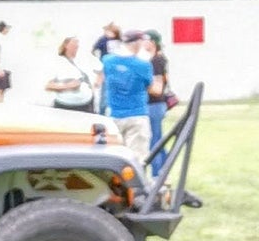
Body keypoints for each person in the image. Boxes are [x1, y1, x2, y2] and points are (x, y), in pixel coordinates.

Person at [98, 34, 156, 164]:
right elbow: (151, 88)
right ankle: (135, 184)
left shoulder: (107, 60)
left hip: (113, 113)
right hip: (137, 114)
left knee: (114, 156)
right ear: (137, 43)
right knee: (137, 157)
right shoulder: (143, 65)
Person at [43, 34, 94, 114]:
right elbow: (48, 86)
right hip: (66, 106)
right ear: (66, 45)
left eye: (78, 43)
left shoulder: (83, 60)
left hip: (86, 105)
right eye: (74, 43)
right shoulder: (57, 62)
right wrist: (68, 86)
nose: (77, 45)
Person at [144, 28, 171, 153]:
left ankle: (158, 170)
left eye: (146, 40)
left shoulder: (156, 61)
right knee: (156, 138)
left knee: (155, 141)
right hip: (155, 104)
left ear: (153, 42)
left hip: (154, 104)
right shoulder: (155, 59)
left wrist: (140, 87)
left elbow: (157, 89)